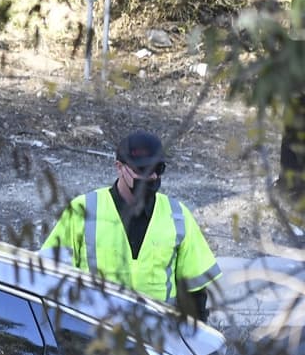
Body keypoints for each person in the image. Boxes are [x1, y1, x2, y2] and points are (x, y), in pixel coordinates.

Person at [41, 131, 220, 322]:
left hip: (158, 341)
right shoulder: (82, 210)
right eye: (142, 169)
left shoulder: (177, 215)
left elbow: (195, 295)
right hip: (92, 336)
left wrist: (194, 342)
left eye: (157, 169)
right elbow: (48, 277)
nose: (151, 177)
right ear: (119, 167)